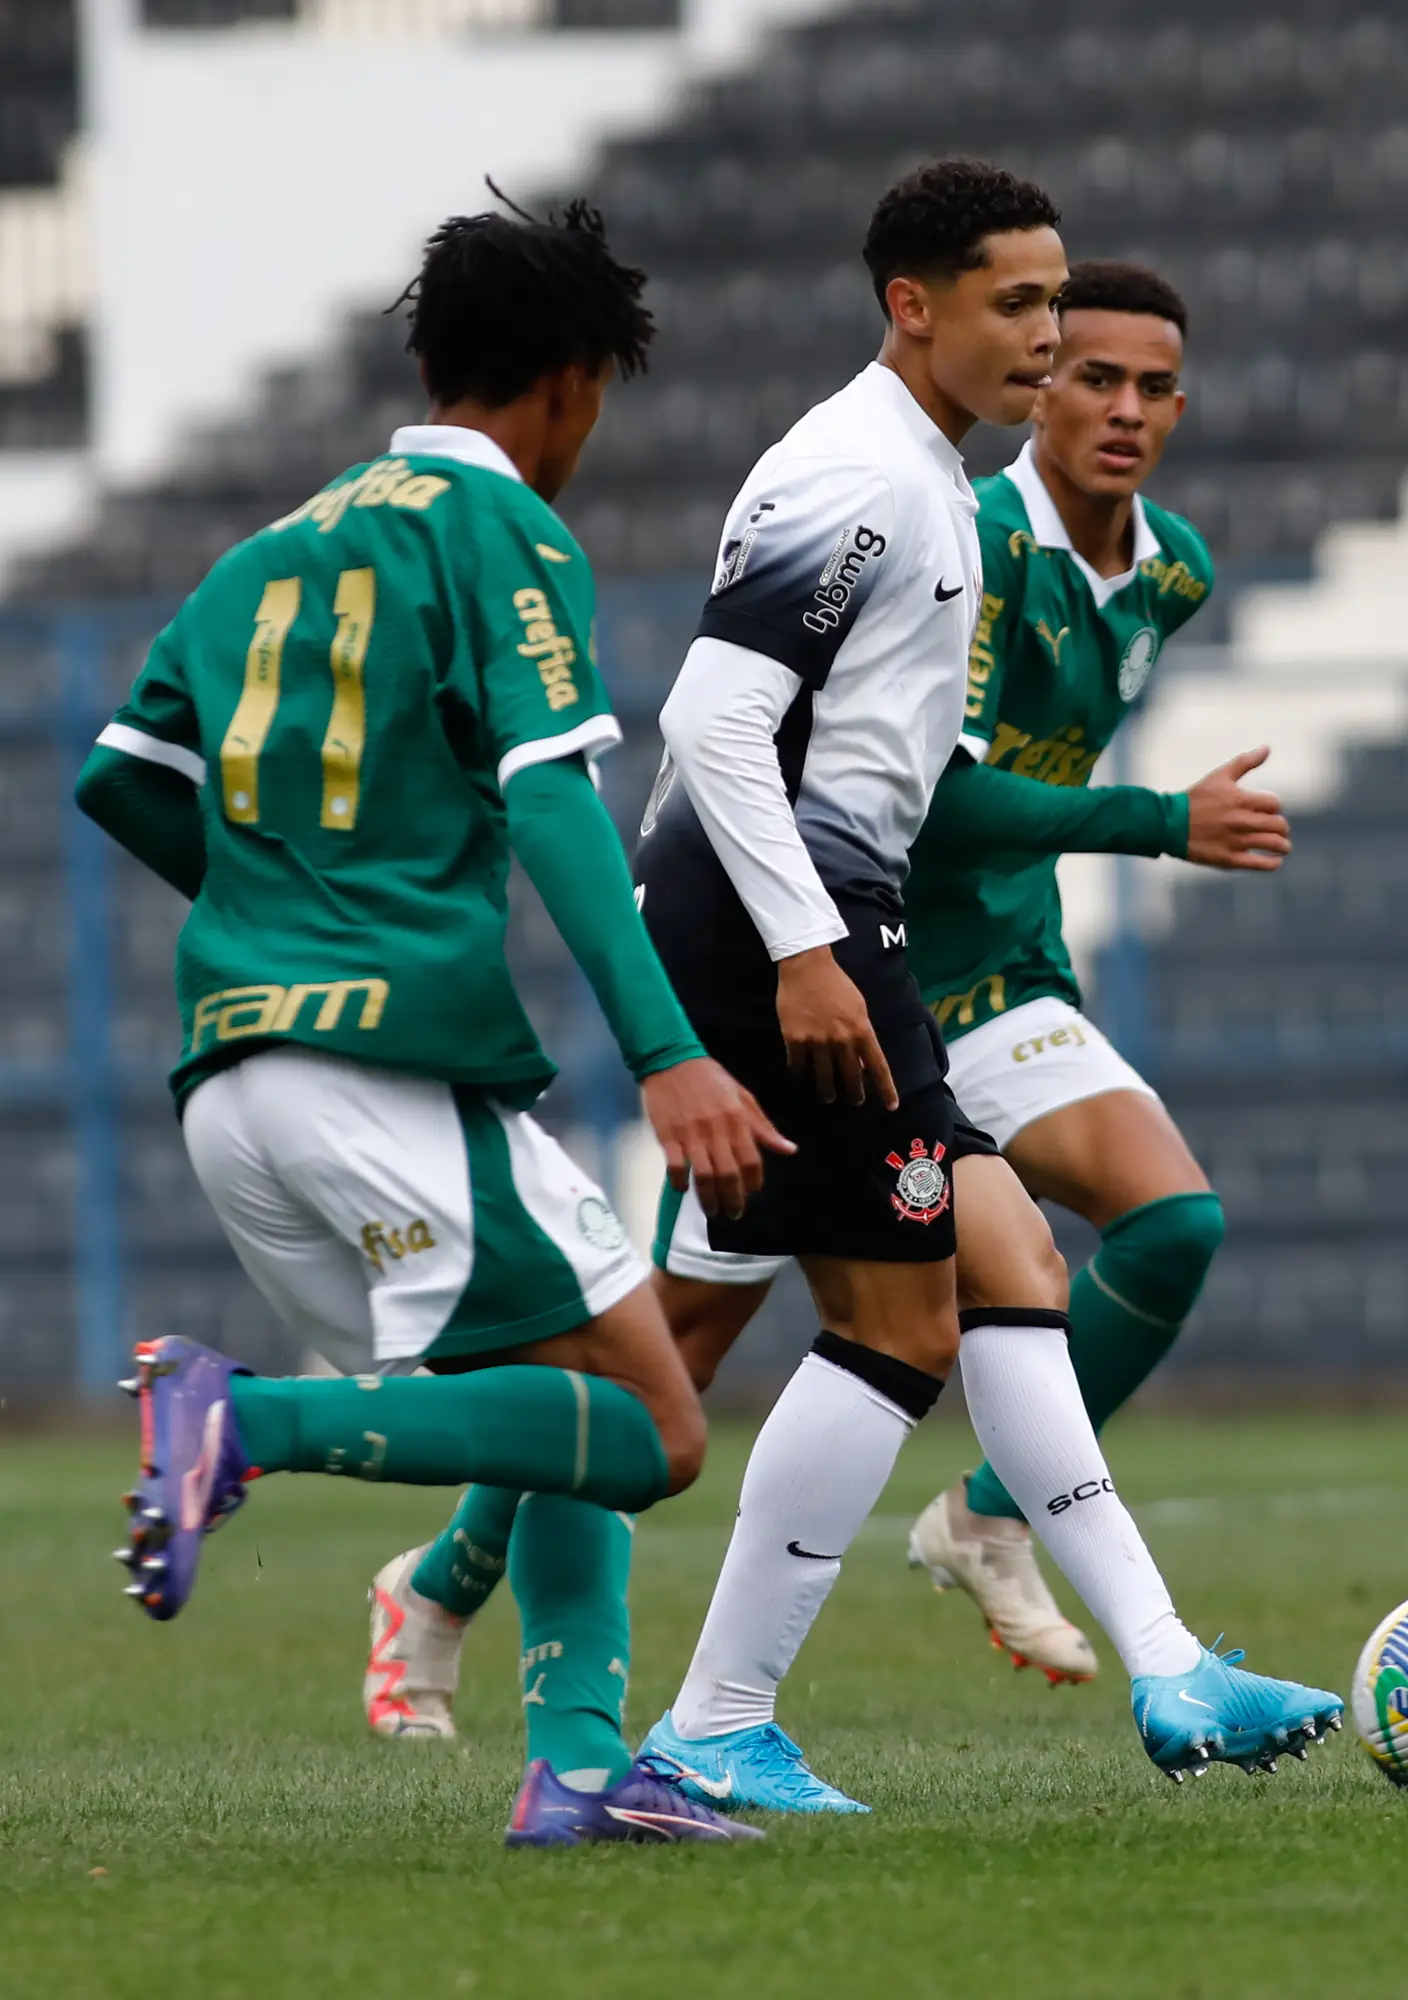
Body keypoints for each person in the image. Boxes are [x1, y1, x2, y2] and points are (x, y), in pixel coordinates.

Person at [366, 158, 1339, 1814]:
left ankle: (1169, 1667)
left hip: (819, 914)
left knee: (996, 1260)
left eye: (1056, 303)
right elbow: (721, 722)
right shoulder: (866, 481)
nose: (1045, 337)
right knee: (893, 1320)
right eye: (1018, 305)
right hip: (790, 924)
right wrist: (811, 953)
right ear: (915, 305)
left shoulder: (924, 479)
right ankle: (721, 1717)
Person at [74, 195, 785, 1849]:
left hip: (233, 1081)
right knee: (656, 1432)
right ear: (571, 381)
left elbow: (122, 777)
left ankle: (584, 1773)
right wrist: (674, 1054)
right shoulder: (504, 533)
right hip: (381, 1075)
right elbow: (554, 805)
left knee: (559, 1393)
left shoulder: (269, 549)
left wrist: (270, 918)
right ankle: (241, 1416)